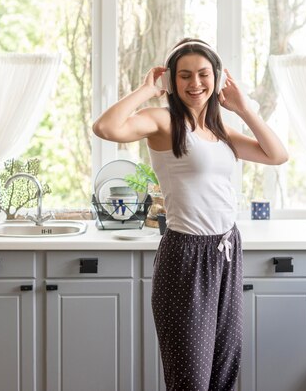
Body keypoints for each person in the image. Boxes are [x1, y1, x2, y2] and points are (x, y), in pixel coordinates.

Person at [93, 38, 288, 390]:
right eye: (184, 76)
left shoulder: (219, 131)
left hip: (228, 251)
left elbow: (276, 155)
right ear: (171, 81)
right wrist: (144, 90)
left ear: (217, 78)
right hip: (186, 256)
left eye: (202, 74)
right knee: (191, 380)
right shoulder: (164, 122)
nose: (195, 83)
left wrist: (243, 109)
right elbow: (105, 128)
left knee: (223, 373)